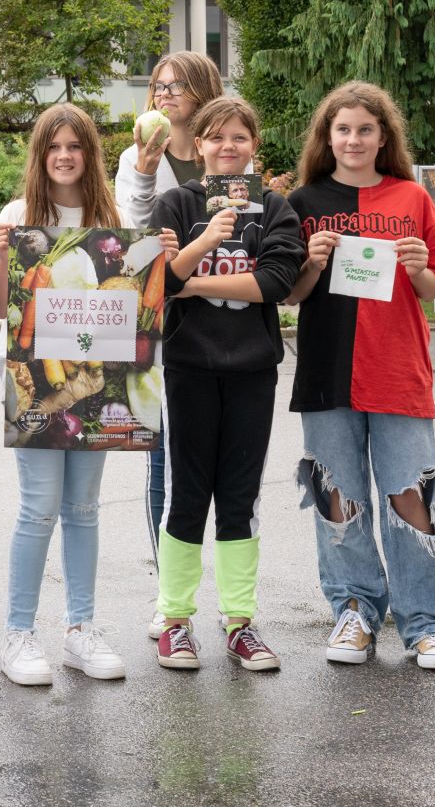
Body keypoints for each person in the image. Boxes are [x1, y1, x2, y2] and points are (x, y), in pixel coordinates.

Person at [0, 104, 177, 685]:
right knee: (38, 507)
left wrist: (161, 256)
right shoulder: (19, 216)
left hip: (95, 378)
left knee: (84, 509)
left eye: (75, 146)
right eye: (54, 146)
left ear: (90, 154)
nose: (64, 156)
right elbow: (1, 308)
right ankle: (19, 633)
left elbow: (134, 298)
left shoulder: (109, 216)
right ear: (40, 154)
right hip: (33, 379)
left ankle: (80, 629)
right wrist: (1, 256)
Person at [284, 82, 435, 670]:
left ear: (384, 137)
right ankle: (354, 612)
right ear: (327, 137)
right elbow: (291, 295)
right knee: (338, 498)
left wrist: (419, 268)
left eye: (365, 129)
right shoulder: (304, 202)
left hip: (398, 370)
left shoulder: (412, 196)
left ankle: (426, 625)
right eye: (343, 129)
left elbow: (432, 287)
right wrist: (312, 262)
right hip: (327, 372)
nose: (354, 139)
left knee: (411, 498)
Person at [147, 96, 302, 672]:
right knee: (187, 494)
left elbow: (276, 283)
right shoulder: (176, 202)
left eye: (239, 137)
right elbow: (154, 279)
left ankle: (240, 622)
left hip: (253, 371)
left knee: (240, 496)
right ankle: (175, 620)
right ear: (199, 146)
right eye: (216, 137)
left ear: (254, 145)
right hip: (187, 368)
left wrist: (190, 282)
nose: (227, 146)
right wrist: (205, 242)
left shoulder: (275, 207)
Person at [114, 52, 226, 641]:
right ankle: (169, 598)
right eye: (158, 85)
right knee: (162, 464)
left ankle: (231, 597)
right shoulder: (137, 157)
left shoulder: (224, 151)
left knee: (225, 472)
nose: (165, 94)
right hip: (159, 326)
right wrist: (144, 168)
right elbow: (129, 234)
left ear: (203, 90)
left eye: (177, 84)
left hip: (221, 322)